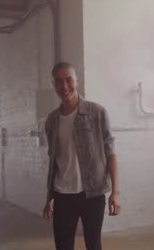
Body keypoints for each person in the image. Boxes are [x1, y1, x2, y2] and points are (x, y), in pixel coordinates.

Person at [42, 62, 121, 250]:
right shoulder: (51, 120)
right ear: (54, 85)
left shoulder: (97, 112)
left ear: (77, 80)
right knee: (62, 245)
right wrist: (49, 199)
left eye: (69, 80)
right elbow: (53, 161)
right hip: (62, 195)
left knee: (93, 245)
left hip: (92, 194)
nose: (65, 86)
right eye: (59, 82)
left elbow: (110, 153)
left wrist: (115, 193)